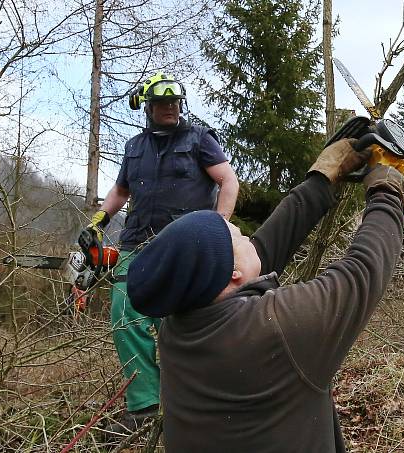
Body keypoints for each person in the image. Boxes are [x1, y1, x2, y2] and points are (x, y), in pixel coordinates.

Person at [126, 138, 404, 452]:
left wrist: (321, 180)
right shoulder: (274, 331)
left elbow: (260, 252)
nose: (249, 237)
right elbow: (362, 273)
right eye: (240, 236)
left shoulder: (178, 328)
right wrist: (387, 193)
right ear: (232, 273)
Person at [84, 71, 239, 431]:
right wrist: (98, 222)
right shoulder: (134, 146)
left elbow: (227, 180)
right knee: (127, 317)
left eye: (175, 102)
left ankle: (199, 398)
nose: (170, 108)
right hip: (136, 240)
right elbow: (121, 192)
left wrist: (220, 225)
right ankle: (144, 406)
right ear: (147, 106)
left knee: (186, 319)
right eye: (162, 103)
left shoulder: (200, 139)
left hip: (186, 242)